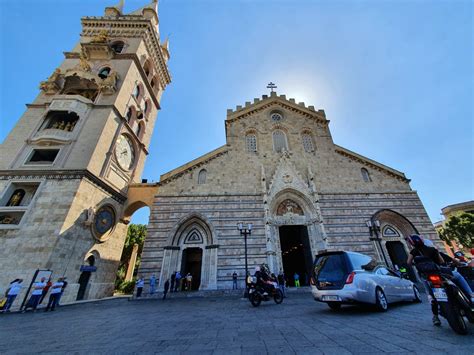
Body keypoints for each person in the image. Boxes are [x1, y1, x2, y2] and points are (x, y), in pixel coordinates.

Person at [406, 234, 474, 326]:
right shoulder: (433, 250)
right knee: (457, 276)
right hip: (439, 274)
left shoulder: (414, 252)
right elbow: (442, 261)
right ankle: (471, 294)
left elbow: (408, 262)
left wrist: (416, 263)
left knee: (431, 295)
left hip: (426, 277)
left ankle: (435, 316)